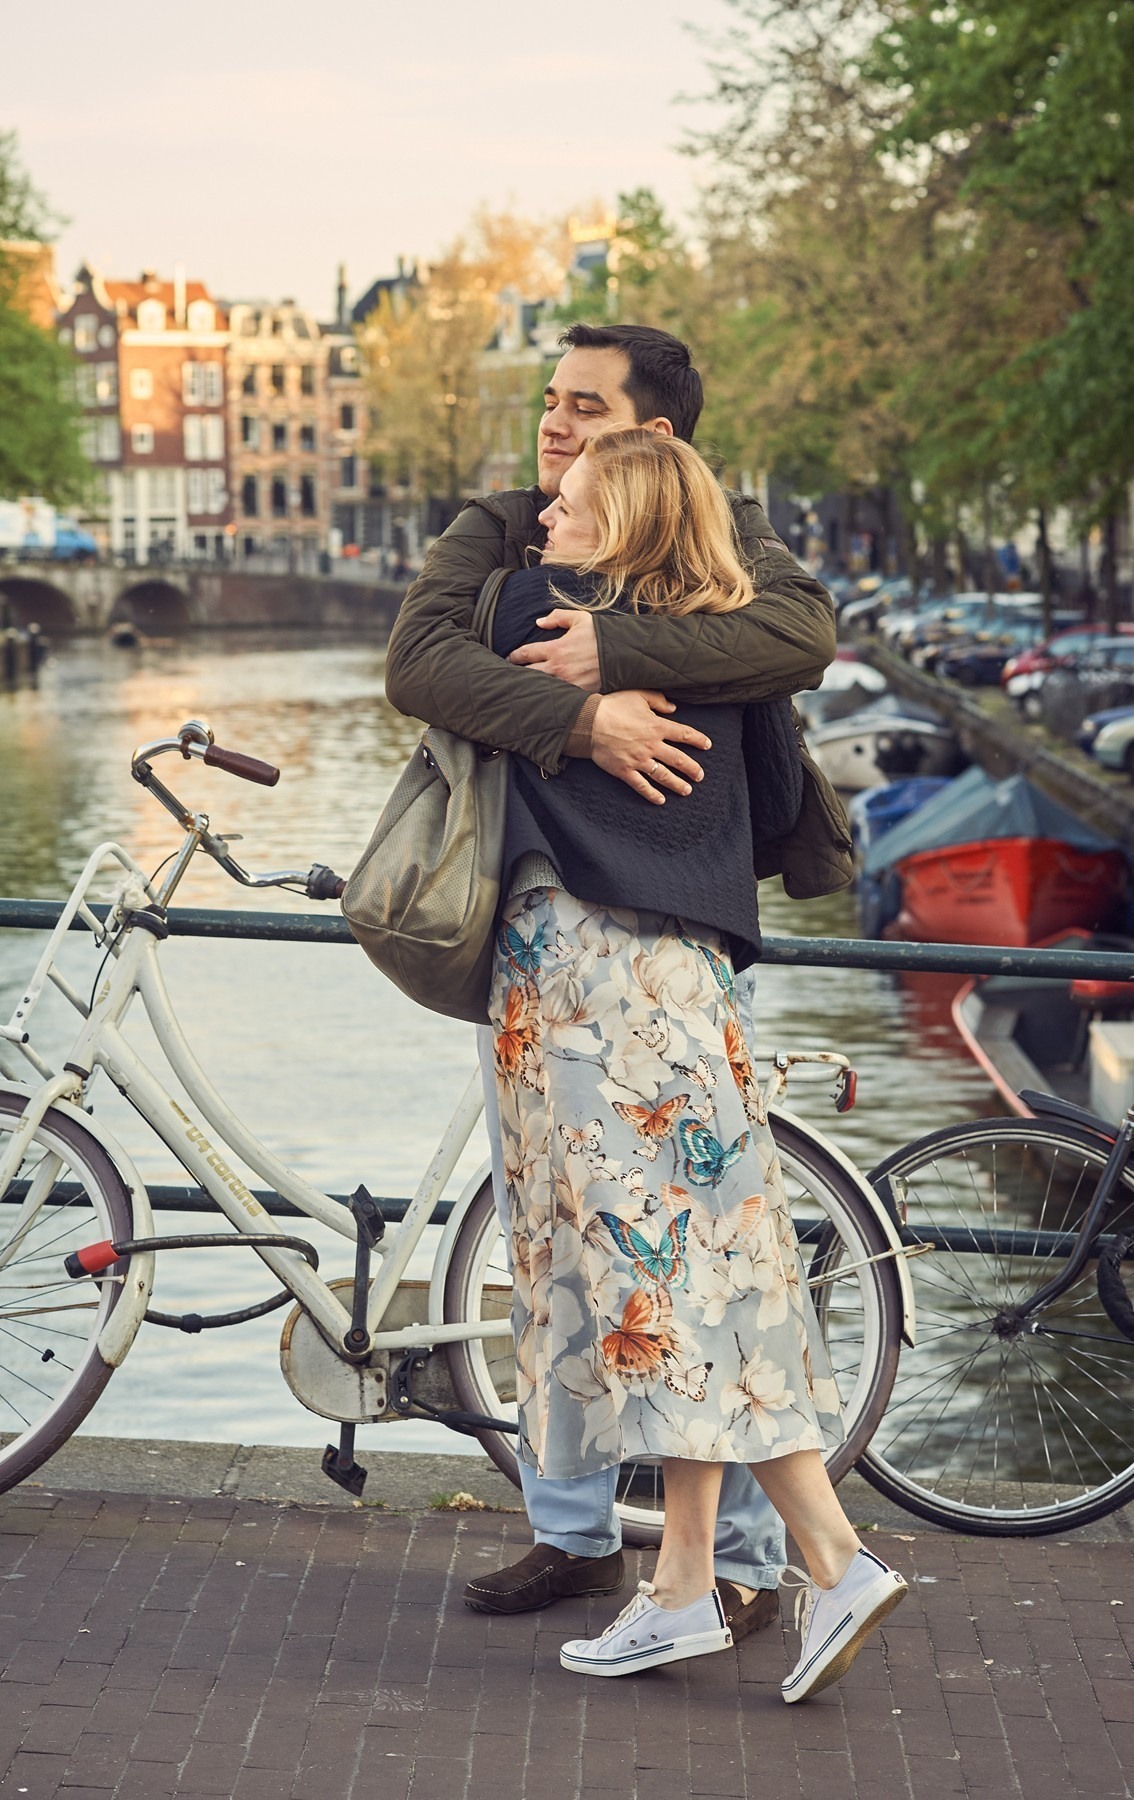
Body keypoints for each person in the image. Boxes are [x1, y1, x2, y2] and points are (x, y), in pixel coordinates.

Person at [385, 323, 853, 1641]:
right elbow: (419, 663)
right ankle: (608, 1544)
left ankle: (764, 1560)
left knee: (657, 1262)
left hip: (620, 945)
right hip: (578, 936)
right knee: (591, 1258)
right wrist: (578, 714)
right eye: (548, 401)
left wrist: (620, 653)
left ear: (653, 437)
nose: (550, 427)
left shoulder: (713, 539)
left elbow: (798, 634)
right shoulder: (505, 528)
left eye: (581, 409)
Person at [483, 428, 907, 1695]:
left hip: (587, 986)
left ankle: (831, 1562)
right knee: (703, 1270)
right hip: (689, 983)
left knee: (649, 1288)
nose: (540, 520)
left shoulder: (533, 609)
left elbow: (430, 649)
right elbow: (779, 803)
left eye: (567, 503)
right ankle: (681, 1585)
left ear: (623, 526)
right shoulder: (741, 658)